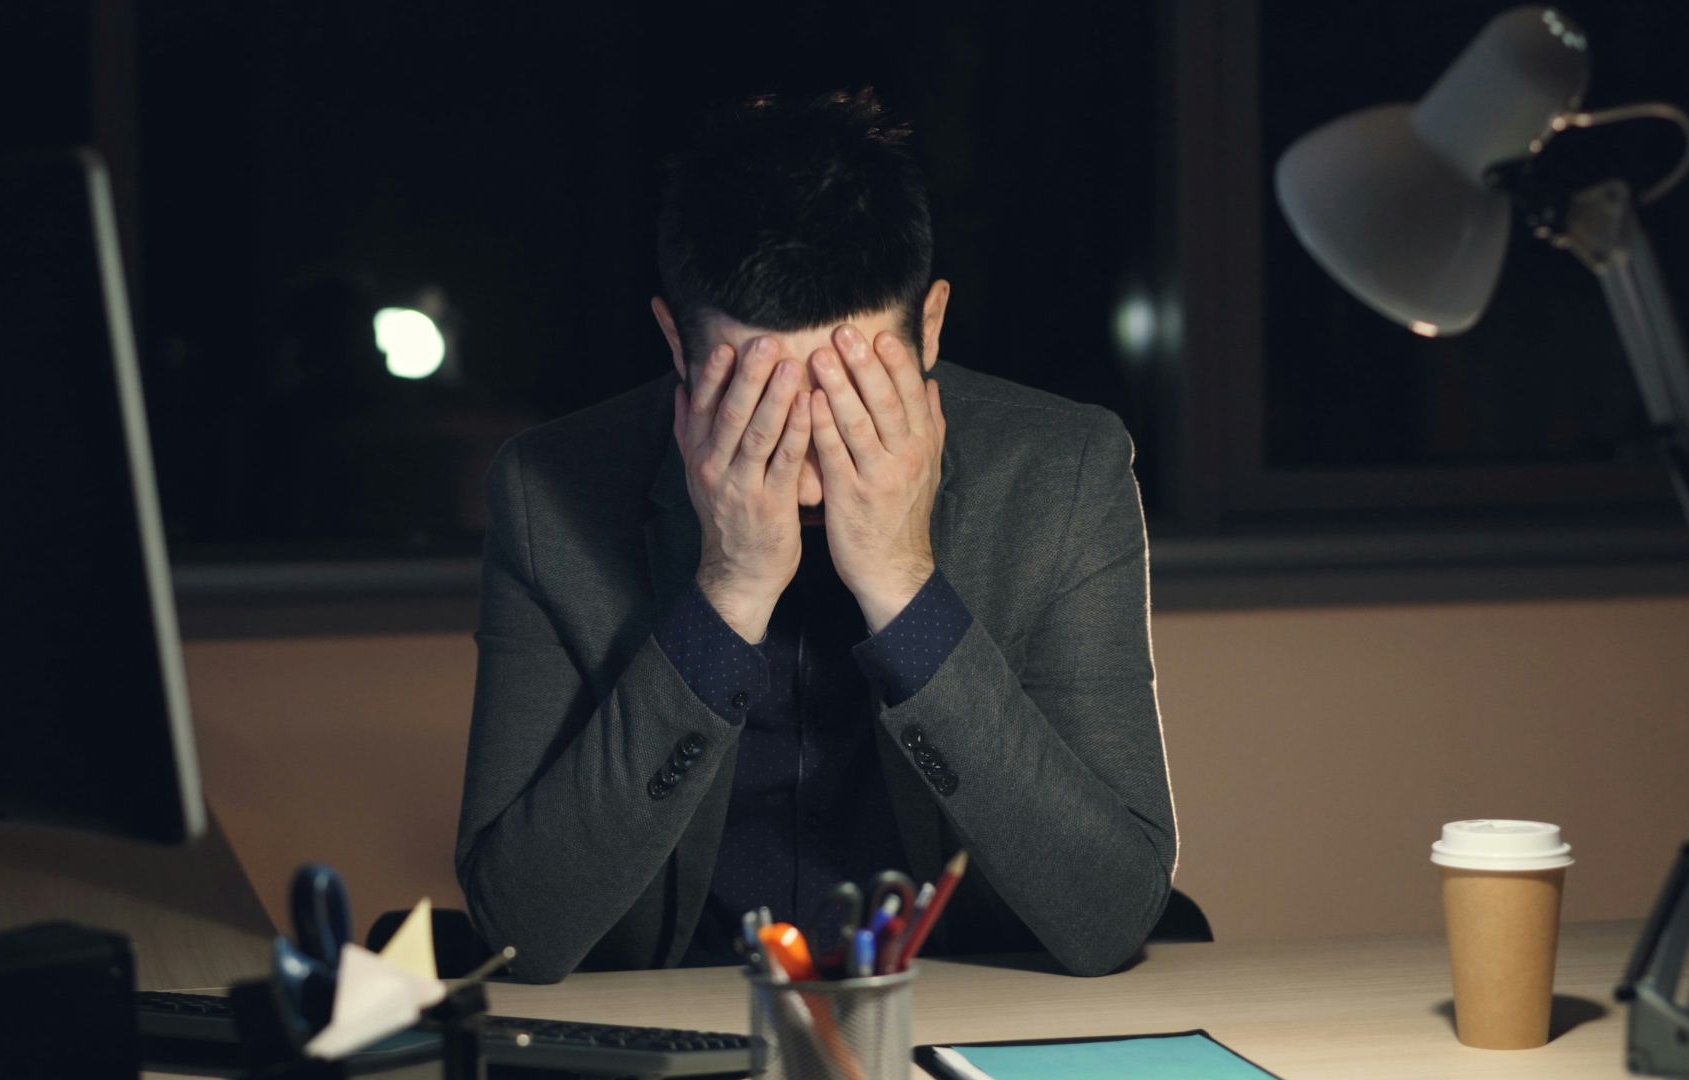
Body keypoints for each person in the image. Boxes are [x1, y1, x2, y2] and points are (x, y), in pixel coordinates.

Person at [456, 88, 1176, 983]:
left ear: (933, 328)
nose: (805, 443)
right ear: (676, 344)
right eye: (755, 395)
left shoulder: (1065, 471)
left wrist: (905, 585)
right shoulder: (548, 492)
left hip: (967, 1014)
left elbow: (1111, 913)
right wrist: (726, 591)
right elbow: (521, 929)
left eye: (851, 388)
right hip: (680, 1020)